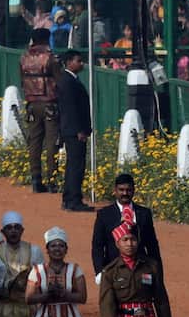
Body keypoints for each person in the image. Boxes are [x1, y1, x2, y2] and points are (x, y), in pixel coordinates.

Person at [91, 173, 162, 282]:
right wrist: (99, 272)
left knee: (143, 298)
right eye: (121, 190)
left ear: (134, 190)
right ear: (115, 190)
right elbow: (98, 246)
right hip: (113, 270)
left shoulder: (144, 213)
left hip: (140, 269)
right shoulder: (104, 214)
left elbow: (152, 245)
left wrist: (157, 270)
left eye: (128, 190)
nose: (125, 193)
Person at [20, 28, 60, 193]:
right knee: (52, 143)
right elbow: (60, 81)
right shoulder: (51, 58)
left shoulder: (24, 58)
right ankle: (51, 180)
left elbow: (22, 81)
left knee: (34, 143)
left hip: (31, 103)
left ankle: (36, 178)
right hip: (49, 104)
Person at [56, 50, 93, 211]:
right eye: (78, 61)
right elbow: (71, 109)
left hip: (71, 129)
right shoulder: (68, 82)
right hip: (74, 130)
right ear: (69, 62)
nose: (81, 63)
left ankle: (70, 198)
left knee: (74, 165)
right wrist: (79, 129)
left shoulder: (69, 80)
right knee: (76, 166)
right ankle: (73, 200)